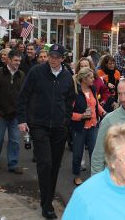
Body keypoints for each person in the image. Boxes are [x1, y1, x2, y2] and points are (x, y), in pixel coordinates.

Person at [17, 44, 75, 219]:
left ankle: (48, 198)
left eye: (57, 57)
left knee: (55, 166)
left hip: (59, 127)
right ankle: (46, 203)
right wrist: (22, 119)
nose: (53, 59)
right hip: (39, 125)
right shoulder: (36, 72)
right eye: (51, 56)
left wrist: (66, 120)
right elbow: (23, 96)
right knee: (45, 164)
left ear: (63, 59)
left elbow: (70, 100)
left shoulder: (67, 76)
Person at [0, 50, 25, 174]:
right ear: (8, 59)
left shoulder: (21, 75)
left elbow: (24, 95)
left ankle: (12, 164)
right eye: (15, 60)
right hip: (0, 113)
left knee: (15, 140)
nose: (18, 63)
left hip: (15, 114)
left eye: (19, 61)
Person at [71, 68, 104, 186]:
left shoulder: (93, 89)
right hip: (79, 128)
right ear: (84, 79)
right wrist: (81, 116)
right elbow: (68, 113)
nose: (93, 79)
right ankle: (76, 175)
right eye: (91, 77)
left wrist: (102, 112)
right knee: (78, 154)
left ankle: (95, 175)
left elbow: (96, 105)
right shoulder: (75, 92)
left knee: (94, 152)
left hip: (93, 126)